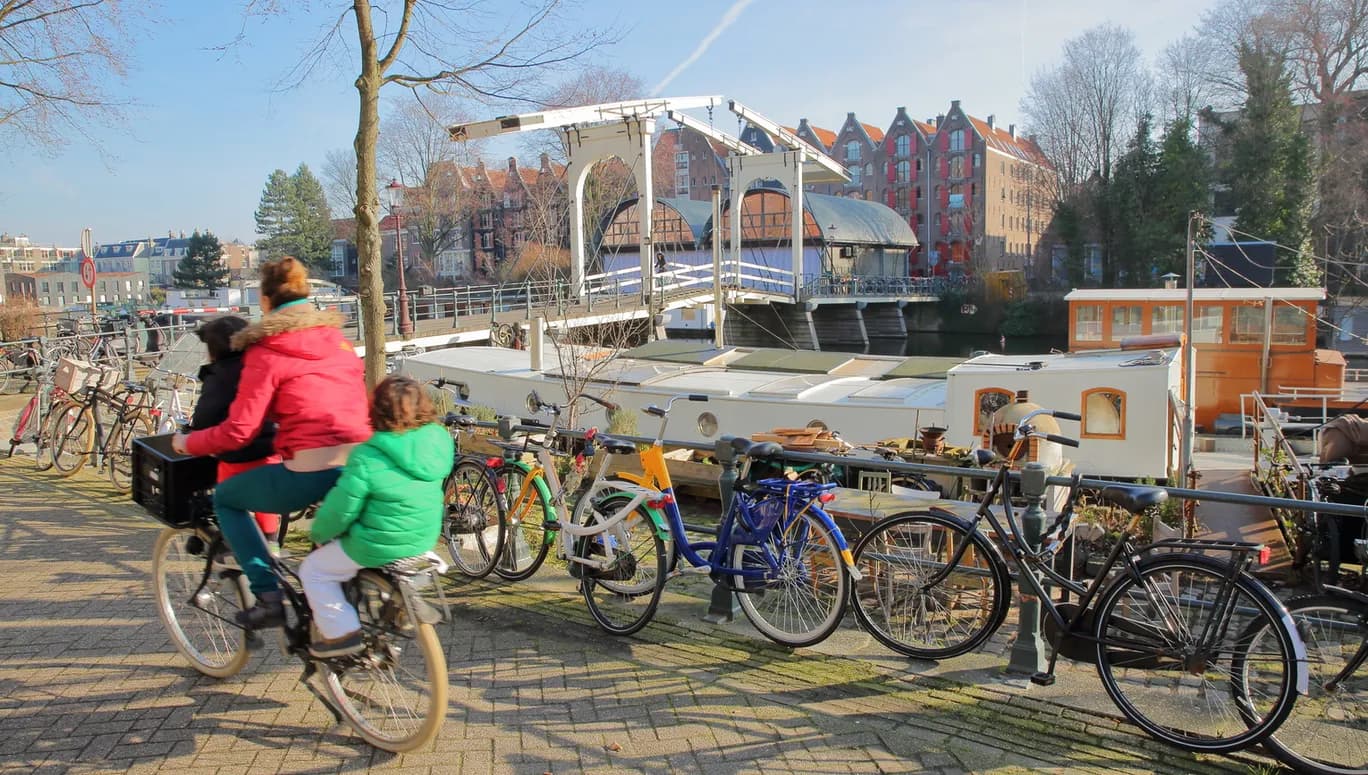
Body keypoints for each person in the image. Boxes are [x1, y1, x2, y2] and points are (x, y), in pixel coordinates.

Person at [172, 256, 371, 629]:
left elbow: (238, 431)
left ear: (265, 302)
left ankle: (268, 596)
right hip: (361, 465)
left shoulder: (266, 352)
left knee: (227, 499)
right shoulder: (339, 342)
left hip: (312, 469)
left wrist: (188, 443)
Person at [299, 375, 453, 657]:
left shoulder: (368, 455)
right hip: (423, 537)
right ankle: (395, 605)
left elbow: (341, 509)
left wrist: (320, 533)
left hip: (377, 542)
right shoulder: (438, 441)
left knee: (314, 571)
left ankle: (342, 633)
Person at [190, 316, 281, 543]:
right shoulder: (261, 364)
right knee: (266, 500)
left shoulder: (220, 375)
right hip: (274, 449)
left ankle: (234, 550)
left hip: (240, 455)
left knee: (224, 498)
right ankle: (272, 543)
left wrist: (191, 438)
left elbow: (204, 419)